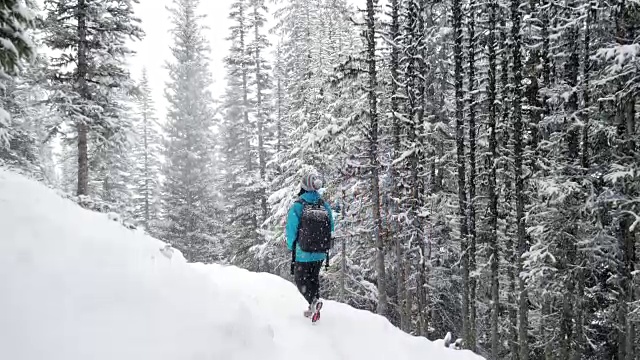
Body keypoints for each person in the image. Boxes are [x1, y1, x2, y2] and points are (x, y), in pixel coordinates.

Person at [286, 171, 335, 321]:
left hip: (303, 252)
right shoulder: (323, 205)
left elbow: (291, 230)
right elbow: (331, 226)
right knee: (313, 278)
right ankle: (313, 307)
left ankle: (313, 302)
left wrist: (291, 246)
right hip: (320, 251)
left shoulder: (298, 205)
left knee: (301, 280)